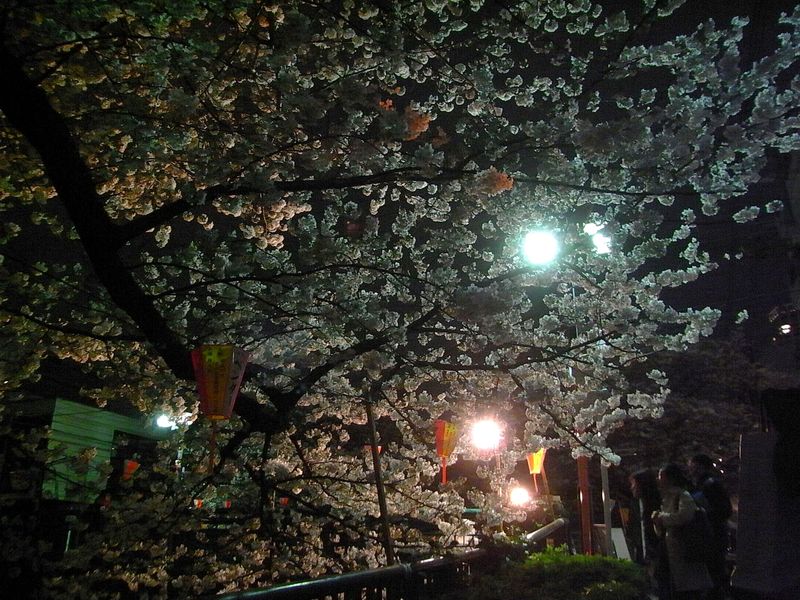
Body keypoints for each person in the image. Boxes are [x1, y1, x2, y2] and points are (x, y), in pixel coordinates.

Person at [652, 463, 713, 600]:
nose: (658, 479)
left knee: (686, 588)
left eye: (661, 476)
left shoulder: (683, 495)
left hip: (683, 548)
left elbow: (684, 516)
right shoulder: (667, 497)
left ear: (671, 478)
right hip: (670, 549)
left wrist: (661, 517)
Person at [688, 454, 732, 600]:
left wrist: (705, 515)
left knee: (714, 571)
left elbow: (725, 510)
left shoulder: (710, 485)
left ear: (699, 466)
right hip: (710, 534)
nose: (690, 467)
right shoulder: (702, 484)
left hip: (713, 535)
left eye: (692, 464)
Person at [628, 469, 664, 599]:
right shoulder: (636, 504)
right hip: (643, 553)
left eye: (634, 485)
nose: (632, 488)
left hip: (654, 553)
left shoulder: (656, 504)